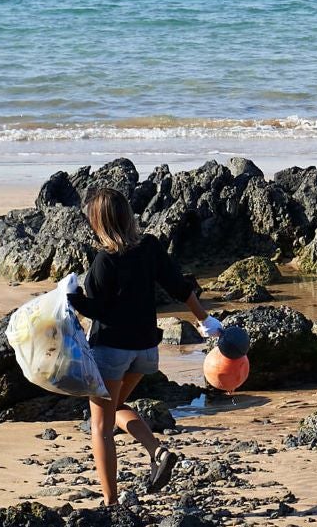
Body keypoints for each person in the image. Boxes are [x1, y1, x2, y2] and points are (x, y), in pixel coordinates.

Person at [64, 185, 216, 507]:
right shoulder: (150, 247)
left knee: (101, 427)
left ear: (99, 222)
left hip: (112, 352)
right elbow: (179, 285)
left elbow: (99, 309)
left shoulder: (105, 260)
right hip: (146, 351)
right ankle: (156, 451)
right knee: (115, 406)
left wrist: (73, 298)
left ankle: (111, 503)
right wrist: (204, 320)